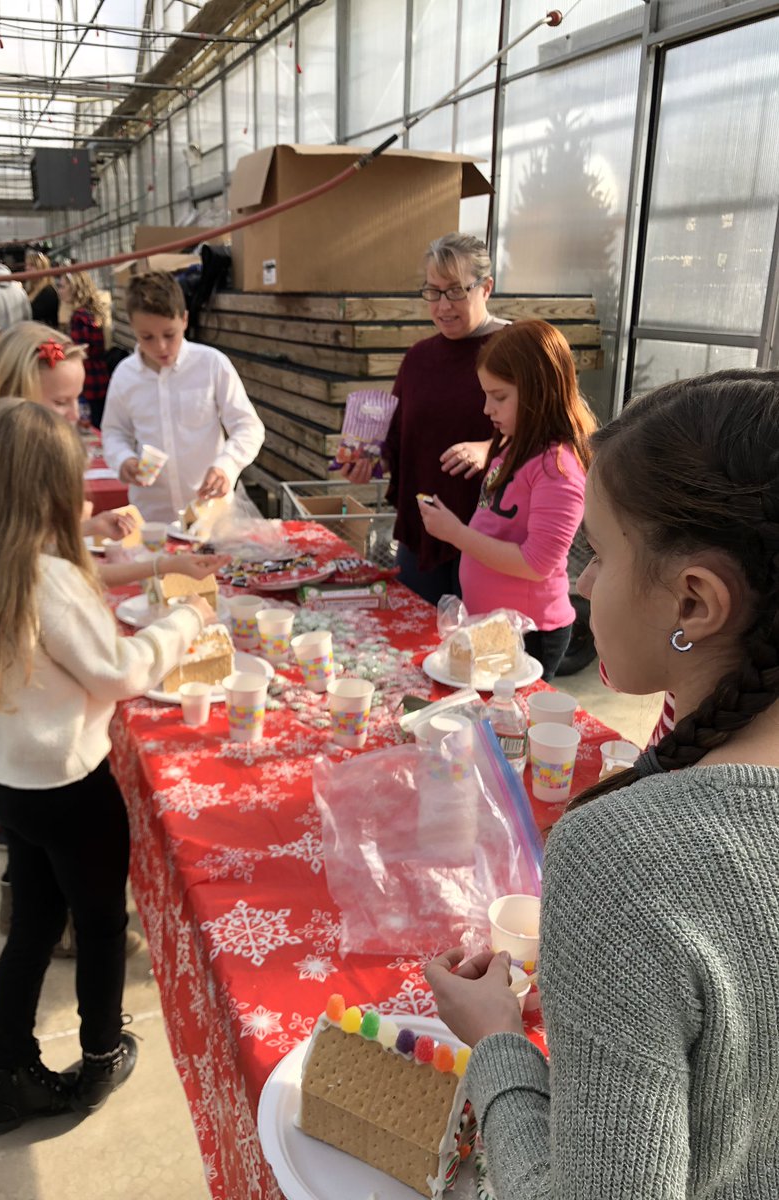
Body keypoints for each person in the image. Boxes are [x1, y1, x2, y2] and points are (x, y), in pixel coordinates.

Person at [426, 368, 779, 1197]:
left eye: (602, 554)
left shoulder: (624, 860)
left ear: (693, 604)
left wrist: (498, 1046)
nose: (581, 581)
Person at [0, 398, 216, 1134]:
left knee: (31, 926)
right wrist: (187, 620)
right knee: (100, 923)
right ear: (47, 490)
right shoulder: (46, 578)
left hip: (10, 786)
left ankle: (6, 1074)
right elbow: (119, 671)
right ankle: (101, 1054)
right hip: (73, 789)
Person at [0, 322, 229, 588]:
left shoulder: (20, 460)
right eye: (60, 402)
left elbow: (38, 546)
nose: (74, 415)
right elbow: (37, 567)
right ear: (14, 395)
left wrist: (89, 527)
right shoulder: (9, 476)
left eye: (77, 400)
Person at [420, 320, 596, 680]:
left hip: (531, 633)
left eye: (499, 397)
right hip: (495, 624)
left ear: (538, 392)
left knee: (507, 712)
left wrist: (456, 533)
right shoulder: (517, 447)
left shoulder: (558, 468)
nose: (487, 408)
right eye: (486, 395)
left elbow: (537, 564)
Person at [341, 234, 509, 605]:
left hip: (493, 536)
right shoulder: (419, 358)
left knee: (478, 638)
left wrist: (491, 449)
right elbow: (398, 438)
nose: (443, 305)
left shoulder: (516, 348)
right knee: (419, 631)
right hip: (423, 532)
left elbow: (556, 431)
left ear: (486, 288)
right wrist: (371, 461)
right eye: (433, 292)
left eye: (456, 291)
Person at [102, 271, 265, 523]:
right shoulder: (125, 375)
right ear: (133, 328)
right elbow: (114, 432)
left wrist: (227, 465)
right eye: (147, 337)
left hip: (210, 514)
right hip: (151, 517)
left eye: (169, 335)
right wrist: (123, 459)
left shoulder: (211, 364)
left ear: (185, 320)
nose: (161, 347)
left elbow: (248, 426)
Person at [60, 270, 110, 428]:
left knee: (90, 426)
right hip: (99, 376)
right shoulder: (91, 312)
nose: (60, 291)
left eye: (62, 286)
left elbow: (80, 351)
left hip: (88, 380)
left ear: (75, 288)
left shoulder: (79, 317)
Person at [23, 249, 59, 329]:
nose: (27, 268)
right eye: (27, 265)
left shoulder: (48, 291)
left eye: (32, 265)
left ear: (41, 268)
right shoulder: (29, 290)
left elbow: (35, 316)